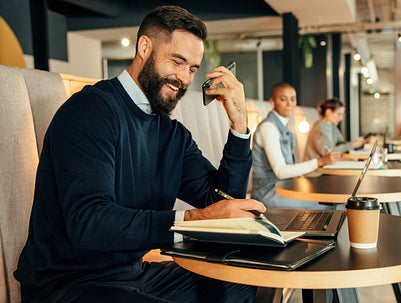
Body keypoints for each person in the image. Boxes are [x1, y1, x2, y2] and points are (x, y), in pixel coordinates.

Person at [14, 6, 264, 303]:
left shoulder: (173, 134)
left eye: (193, 69)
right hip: (66, 284)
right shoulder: (91, 110)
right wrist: (192, 220)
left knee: (243, 282)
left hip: (131, 275)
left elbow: (222, 203)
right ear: (145, 47)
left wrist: (238, 127)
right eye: (177, 61)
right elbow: (89, 223)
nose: (184, 78)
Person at [251, 82, 340, 209]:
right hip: (268, 193)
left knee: (329, 198)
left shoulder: (283, 126)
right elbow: (281, 171)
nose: (289, 104)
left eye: (293, 99)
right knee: (328, 206)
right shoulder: (268, 127)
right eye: (283, 99)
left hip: (285, 187)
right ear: (272, 101)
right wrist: (319, 162)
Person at [304, 98, 368, 161]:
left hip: (326, 166)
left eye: (342, 114)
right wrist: (352, 145)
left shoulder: (333, 127)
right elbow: (328, 153)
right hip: (316, 169)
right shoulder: (320, 127)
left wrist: (358, 143)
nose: (341, 118)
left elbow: (341, 144)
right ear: (328, 112)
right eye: (339, 114)